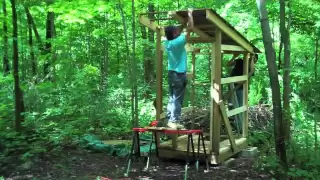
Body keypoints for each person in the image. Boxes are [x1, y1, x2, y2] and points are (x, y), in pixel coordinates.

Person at [163, 9, 194, 129]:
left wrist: (182, 23)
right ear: (175, 34)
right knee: (177, 98)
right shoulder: (179, 42)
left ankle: (170, 119)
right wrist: (190, 14)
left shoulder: (168, 42)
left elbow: (179, 31)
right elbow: (190, 28)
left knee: (172, 97)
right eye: (176, 31)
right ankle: (173, 120)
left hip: (171, 73)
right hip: (179, 74)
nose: (178, 30)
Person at [227, 53, 258, 133]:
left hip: (240, 88)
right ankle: (235, 127)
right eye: (254, 60)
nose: (254, 62)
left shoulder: (250, 67)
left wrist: (251, 60)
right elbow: (228, 64)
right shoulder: (240, 61)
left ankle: (240, 128)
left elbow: (251, 72)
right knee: (232, 106)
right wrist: (234, 56)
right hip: (232, 87)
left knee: (239, 107)